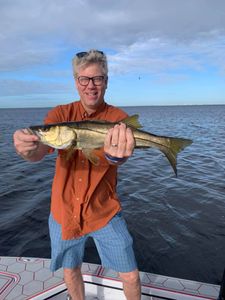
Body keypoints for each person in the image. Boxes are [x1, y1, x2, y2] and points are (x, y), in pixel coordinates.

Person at [13, 49, 141, 300]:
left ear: (106, 81)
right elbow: (39, 151)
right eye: (84, 79)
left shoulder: (118, 118)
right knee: (71, 270)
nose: (91, 86)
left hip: (104, 212)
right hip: (64, 212)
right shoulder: (59, 116)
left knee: (131, 276)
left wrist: (117, 156)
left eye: (97, 79)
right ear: (76, 81)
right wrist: (26, 149)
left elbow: (120, 157)